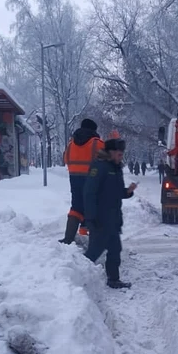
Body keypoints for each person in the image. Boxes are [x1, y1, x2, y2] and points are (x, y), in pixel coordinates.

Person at [84, 137, 137, 289]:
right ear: (111, 152)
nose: (121, 157)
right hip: (100, 218)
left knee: (115, 249)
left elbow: (117, 192)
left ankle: (113, 279)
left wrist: (128, 191)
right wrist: (91, 217)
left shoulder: (116, 168)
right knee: (94, 251)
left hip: (113, 218)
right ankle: (73, 276)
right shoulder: (99, 167)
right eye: (119, 154)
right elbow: (89, 193)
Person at [60, 118, 104, 244]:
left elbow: (65, 159)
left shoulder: (71, 143)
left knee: (76, 207)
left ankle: (68, 238)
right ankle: (95, 239)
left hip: (74, 178)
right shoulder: (97, 143)